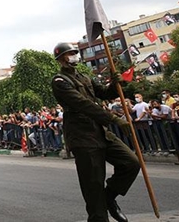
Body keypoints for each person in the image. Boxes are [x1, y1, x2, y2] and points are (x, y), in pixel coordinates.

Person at [51, 42, 139, 222]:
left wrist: (115, 84)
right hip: (82, 136)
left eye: (75, 52)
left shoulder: (84, 77)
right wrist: (114, 119)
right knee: (93, 186)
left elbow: (104, 94)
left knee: (131, 162)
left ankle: (109, 197)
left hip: (101, 132)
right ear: (61, 59)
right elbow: (84, 104)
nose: (74, 56)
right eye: (70, 53)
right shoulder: (60, 81)